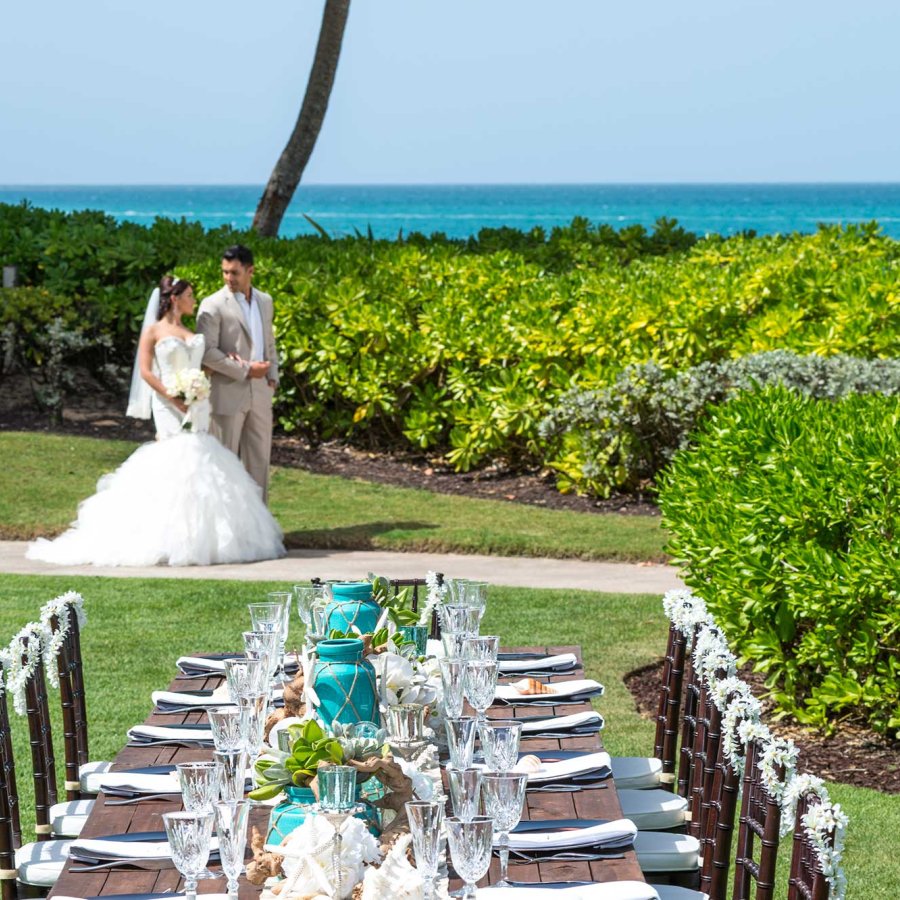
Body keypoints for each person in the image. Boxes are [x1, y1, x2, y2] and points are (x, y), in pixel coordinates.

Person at [26, 275, 285, 567]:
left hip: (196, 404)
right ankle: (162, 538)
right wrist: (174, 397)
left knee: (202, 461)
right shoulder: (153, 331)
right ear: (174, 298)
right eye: (189, 295)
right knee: (175, 459)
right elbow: (147, 372)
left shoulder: (189, 331)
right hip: (167, 403)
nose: (193, 300)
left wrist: (207, 381)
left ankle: (201, 538)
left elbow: (203, 366)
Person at [196, 245, 277, 503]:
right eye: (224, 272)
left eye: (235, 273)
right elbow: (207, 353)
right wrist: (245, 370)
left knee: (259, 464)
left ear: (250, 271)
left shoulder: (265, 301)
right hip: (227, 392)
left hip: (261, 392)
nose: (228, 278)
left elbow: (268, 341)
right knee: (224, 465)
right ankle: (225, 532)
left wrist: (272, 374)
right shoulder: (212, 305)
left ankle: (259, 532)